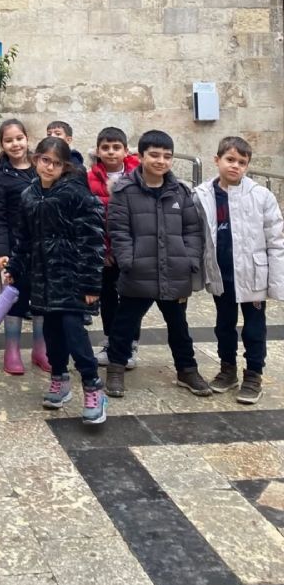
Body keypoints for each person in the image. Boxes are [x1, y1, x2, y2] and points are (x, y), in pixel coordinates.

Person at [6, 136, 107, 424]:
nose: (49, 167)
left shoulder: (76, 194)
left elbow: (92, 240)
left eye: (56, 163)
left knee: (74, 331)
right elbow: (23, 238)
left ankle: (93, 387)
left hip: (71, 276)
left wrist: (91, 283)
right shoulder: (29, 195)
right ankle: (59, 380)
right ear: (35, 159)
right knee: (50, 333)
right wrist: (15, 266)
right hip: (42, 278)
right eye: (45, 160)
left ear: (65, 167)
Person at [105, 129, 210, 398]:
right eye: (154, 155)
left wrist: (189, 259)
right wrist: (128, 260)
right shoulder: (124, 191)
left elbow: (192, 230)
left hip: (174, 272)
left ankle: (187, 370)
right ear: (140, 156)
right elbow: (118, 230)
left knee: (179, 326)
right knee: (124, 324)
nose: (160, 161)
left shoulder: (180, 192)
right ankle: (116, 368)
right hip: (138, 272)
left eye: (167, 156)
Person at [193, 136, 284, 404]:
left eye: (242, 162)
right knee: (224, 324)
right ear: (217, 160)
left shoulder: (261, 196)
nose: (235, 166)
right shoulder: (202, 195)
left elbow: (276, 240)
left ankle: (254, 374)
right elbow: (197, 235)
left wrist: (276, 282)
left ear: (247, 166)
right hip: (221, 273)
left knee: (254, 328)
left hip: (253, 274)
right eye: (230, 159)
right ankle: (227, 369)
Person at [0, 118, 49, 375]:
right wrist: (1, 252)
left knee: (42, 300)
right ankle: (11, 350)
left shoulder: (41, 168)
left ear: (27, 139)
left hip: (44, 247)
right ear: (1, 144)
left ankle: (40, 349)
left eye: (19, 138)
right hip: (16, 249)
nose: (15, 144)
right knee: (14, 298)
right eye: (9, 140)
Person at [87, 126, 141, 368]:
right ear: (98, 151)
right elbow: (90, 217)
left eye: (116, 147)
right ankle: (110, 341)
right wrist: (103, 250)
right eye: (106, 148)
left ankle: (130, 344)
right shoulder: (89, 178)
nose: (111, 152)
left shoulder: (138, 176)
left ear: (126, 150)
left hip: (131, 250)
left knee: (131, 299)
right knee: (108, 299)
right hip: (105, 252)